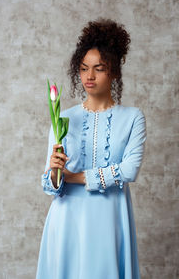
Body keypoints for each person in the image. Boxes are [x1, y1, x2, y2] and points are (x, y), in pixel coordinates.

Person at [36, 18, 147, 279]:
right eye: (84, 68)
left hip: (109, 220)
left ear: (115, 72)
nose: (89, 76)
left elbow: (129, 171)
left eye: (99, 68)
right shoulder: (62, 118)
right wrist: (54, 171)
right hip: (66, 222)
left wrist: (72, 176)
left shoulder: (133, 117)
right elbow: (51, 184)